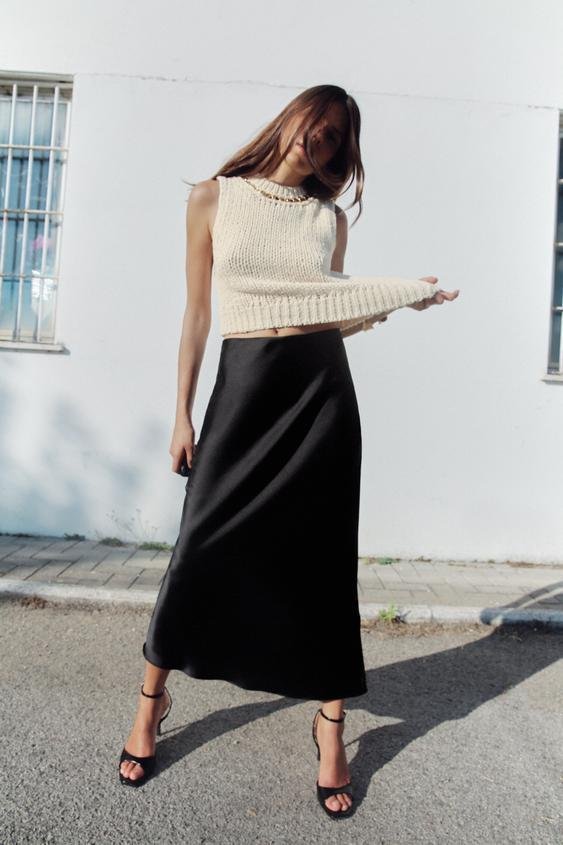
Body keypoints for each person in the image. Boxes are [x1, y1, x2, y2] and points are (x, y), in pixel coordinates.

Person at [118, 83, 459, 818]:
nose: (320, 139)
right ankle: (151, 700)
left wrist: (397, 296)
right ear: (291, 117)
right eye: (317, 123)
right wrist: (180, 413)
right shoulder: (214, 197)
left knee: (320, 562)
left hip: (318, 396)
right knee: (198, 547)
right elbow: (198, 312)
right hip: (244, 387)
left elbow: (324, 306)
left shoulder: (326, 219)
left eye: (336, 137)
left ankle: (329, 724)